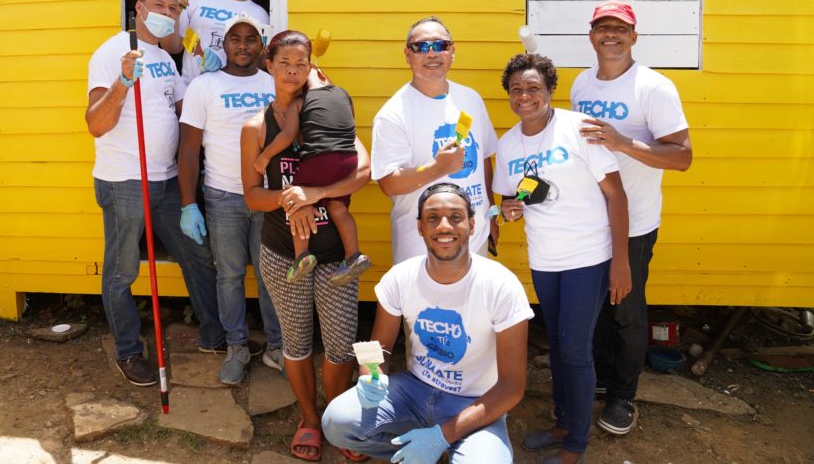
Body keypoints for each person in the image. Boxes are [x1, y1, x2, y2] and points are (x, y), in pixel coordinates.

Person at [322, 182, 533, 464]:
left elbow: (512, 387)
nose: (444, 226)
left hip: (475, 401)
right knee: (337, 422)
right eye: (433, 218)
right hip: (414, 391)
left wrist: (441, 436)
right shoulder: (401, 277)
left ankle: (442, 443)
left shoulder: (501, 286)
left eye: (455, 217)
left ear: (472, 225)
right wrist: (370, 374)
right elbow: (379, 346)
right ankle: (415, 450)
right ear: (420, 227)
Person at [493, 53, 631, 464]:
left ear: (551, 90)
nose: (524, 96)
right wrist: (509, 209)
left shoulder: (579, 129)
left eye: (533, 87)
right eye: (516, 89)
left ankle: (576, 445)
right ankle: (564, 422)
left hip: (588, 255)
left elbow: (617, 196)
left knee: (575, 348)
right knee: (557, 344)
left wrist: (620, 262)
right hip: (545, 258)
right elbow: (508, 198)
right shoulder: (508, 143)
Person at [241, 30, 370, 462]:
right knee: (296, 344)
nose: (293, 70)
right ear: (268, 65)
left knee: (339, 345)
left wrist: (312, 194)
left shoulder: (329, 106)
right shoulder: (256, 126)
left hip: (334, 253)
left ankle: (339, 419)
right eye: (284, 63)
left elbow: (363, 172)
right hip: (283, 252)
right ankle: (310, 419)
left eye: (301, 62)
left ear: (311, 64)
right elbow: (251, 196)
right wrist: (286, 198)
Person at [85, 0, 223, 386]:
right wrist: (123, 83)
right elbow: (95, 123)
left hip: (165, 179)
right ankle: (128, 352)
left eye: (173, 7)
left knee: (197, 256)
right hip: (126, 178)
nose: (167, 12)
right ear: (140, 9)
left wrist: (214, 76)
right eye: (158, 5)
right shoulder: (114, 52)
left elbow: (185, 111)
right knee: (121, 270)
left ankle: (214, 336)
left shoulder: (165, 56)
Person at [570, 1, 693, 436]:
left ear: (634, 37)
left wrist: (625, 144)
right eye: (603, 27)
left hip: (636, 220)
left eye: (620, 29)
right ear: (591, 36)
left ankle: (623, 397)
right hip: (590, 220)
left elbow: (682, 157)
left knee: (627, 308)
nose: (611, 35)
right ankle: (601, 380)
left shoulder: (654, 87)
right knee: (598, 308)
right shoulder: (581, 85)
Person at [178, 15, 282, 385]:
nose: (242, 45)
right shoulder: (205, 85)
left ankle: (276, 346)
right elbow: (189, 150)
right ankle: (237, 346)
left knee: (272, 277)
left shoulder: (275, 83)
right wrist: (189, 203)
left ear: (261, 44)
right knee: (230, 276)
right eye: (234, 38)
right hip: (223, 197)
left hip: (269, 196)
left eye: (250, 38)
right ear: (224, 44)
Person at [371, 16, 499, 263]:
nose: (432, 54)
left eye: (440, 45)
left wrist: (491, 214)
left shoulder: (471, 99)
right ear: (407, 54)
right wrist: (438, 168)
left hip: (476, 238)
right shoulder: (393, 114)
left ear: (452, 51)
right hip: (422, 247)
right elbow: (388, 183)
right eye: (421, 47)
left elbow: (483, 158)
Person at [253, 65, 371, 285]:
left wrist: (266, 155)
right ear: (325, 76)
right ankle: (354, 255)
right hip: (347, 159)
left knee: (298, 199)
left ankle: (302, 256)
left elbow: (288, 136)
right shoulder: (344, 95)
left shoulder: (299, 103)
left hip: (319, 159)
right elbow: (348, 127)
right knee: (338, 207)